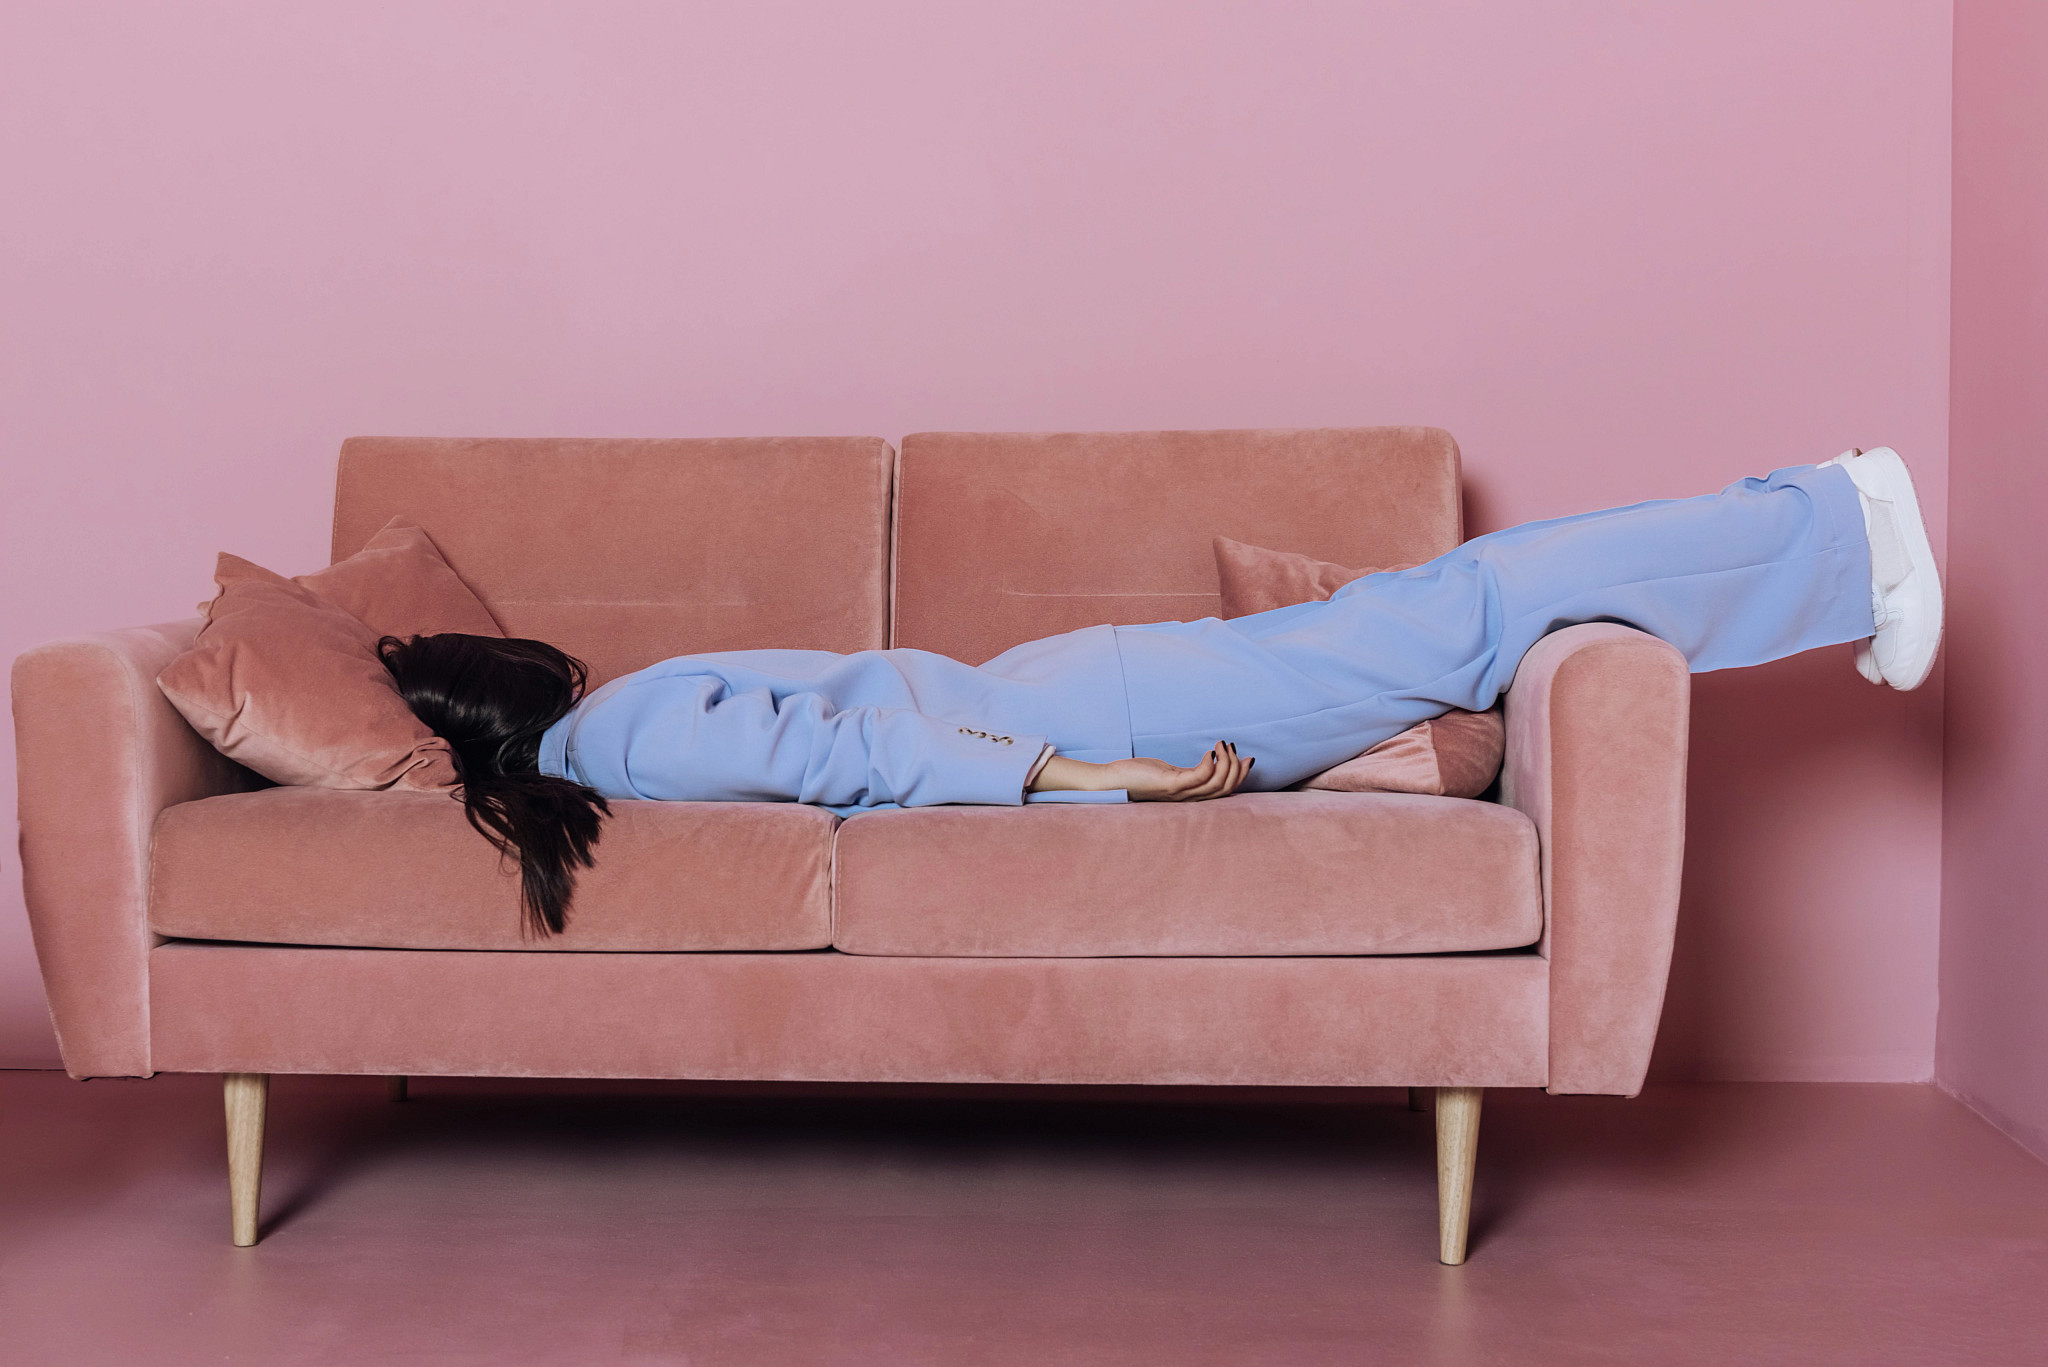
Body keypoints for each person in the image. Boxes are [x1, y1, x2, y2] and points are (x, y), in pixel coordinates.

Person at [381, 447, 1942, 936]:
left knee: (1464, 615)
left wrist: (1076, 772)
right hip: (1099, 706)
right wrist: (1072, 775)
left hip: (1106, 708)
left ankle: (1834, 527)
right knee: (1457, 615)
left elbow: (842, 748)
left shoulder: (619, 737)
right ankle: (1826, 531)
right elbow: (843, 750)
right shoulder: (620, 726)